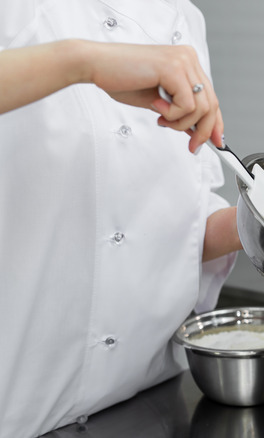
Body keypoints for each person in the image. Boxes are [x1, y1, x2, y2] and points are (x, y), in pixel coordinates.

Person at [0, 1, 243, 436]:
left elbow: (171, 213)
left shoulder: (184, 19)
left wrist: (257, 223)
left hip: (145, 406)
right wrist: (81, 62)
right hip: (20, 413)